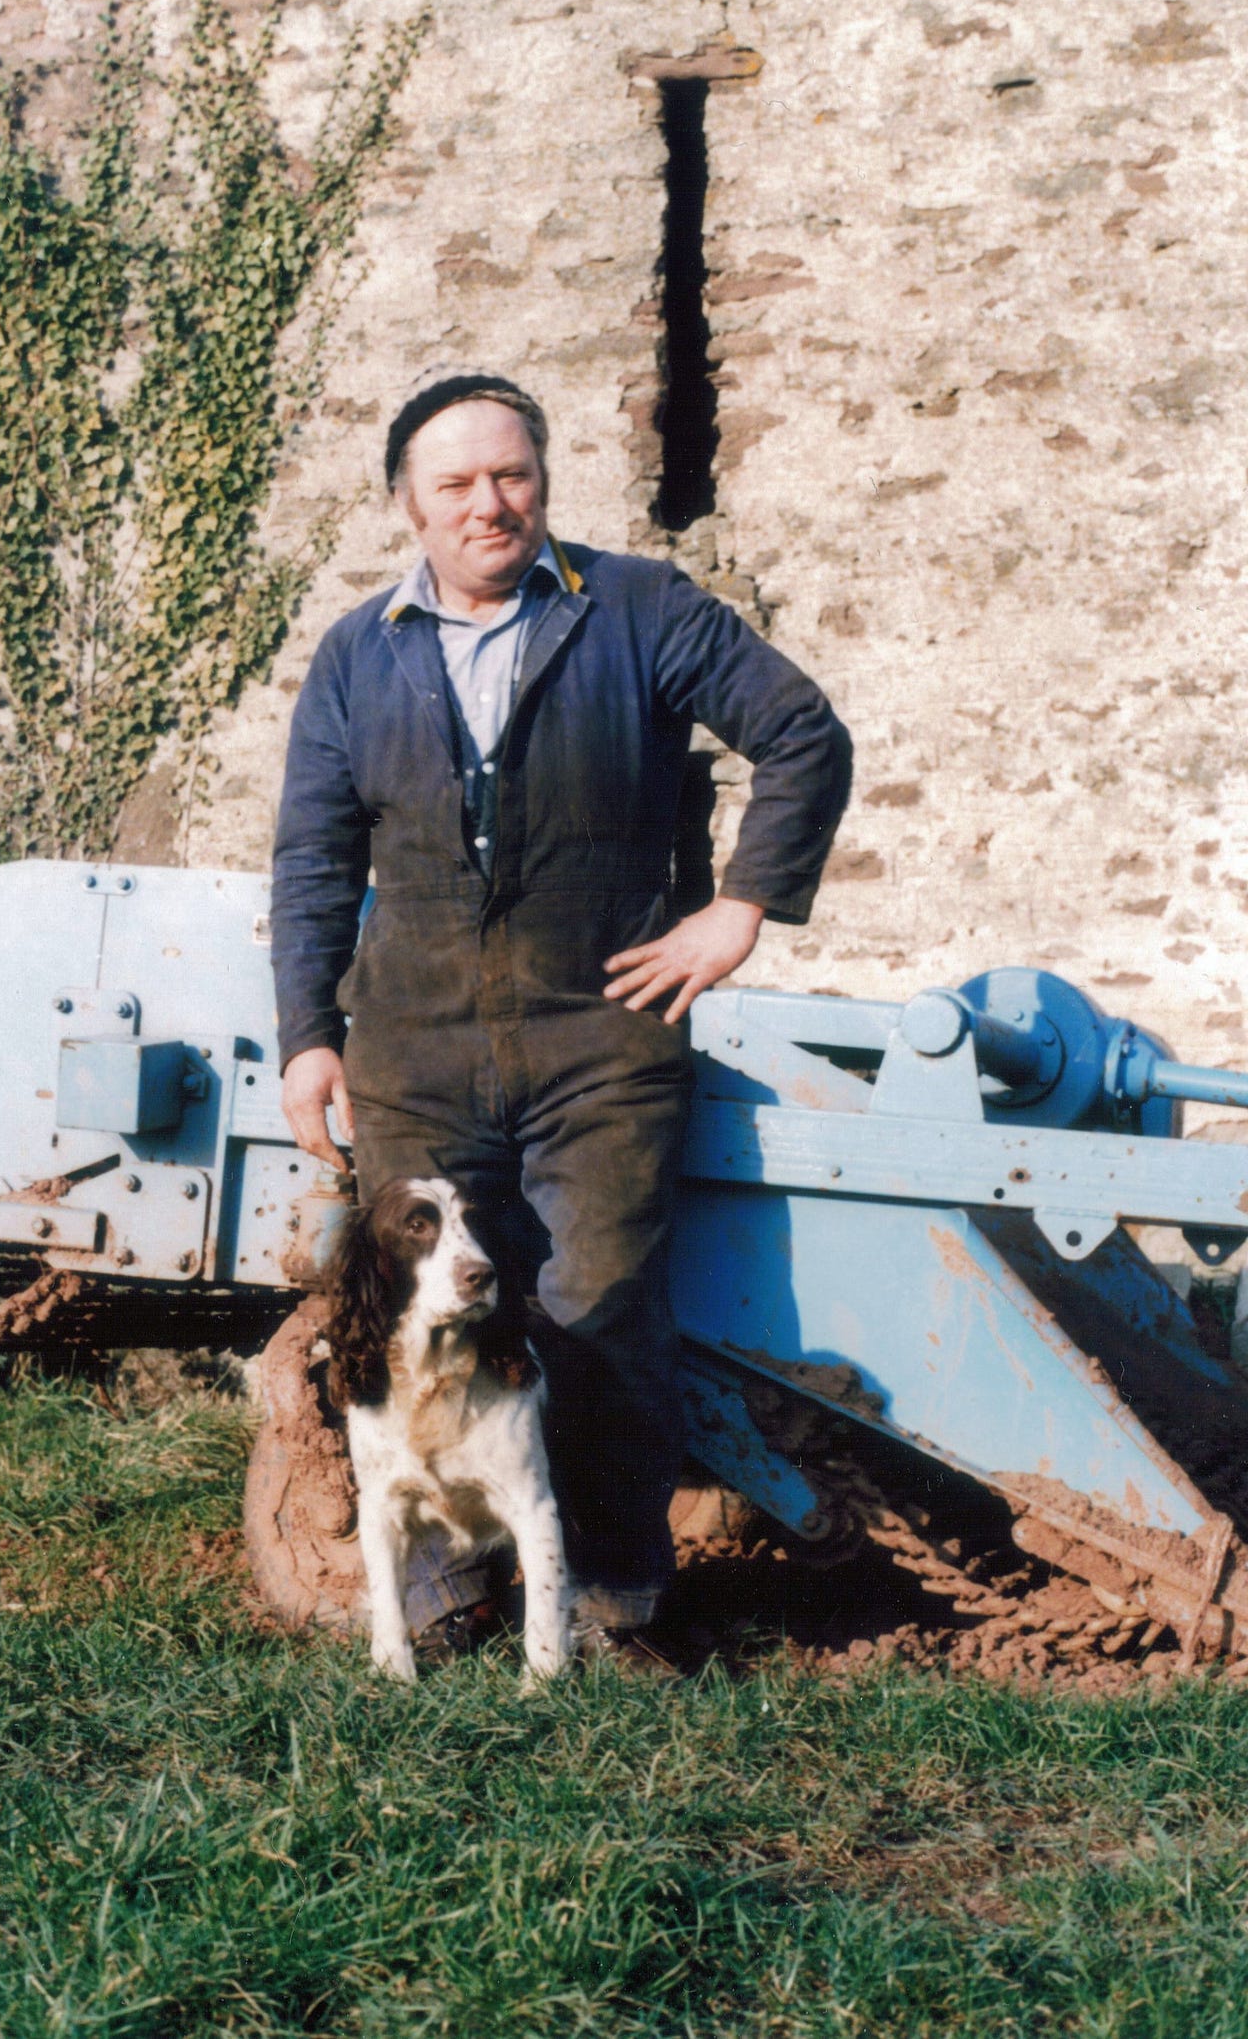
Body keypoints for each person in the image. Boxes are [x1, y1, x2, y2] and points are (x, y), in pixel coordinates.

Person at [271, 369, 851, 1666]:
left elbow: (801, 732)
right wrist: (310, 1033)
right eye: (459, 485)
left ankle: (618, 1598)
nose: (493, 505)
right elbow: (314, 854)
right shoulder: (359, 655)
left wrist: (743, 907)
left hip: (602, 1041)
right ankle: (440, 1586)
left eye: (513, 475)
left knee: (596, 1307)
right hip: (414, 1047)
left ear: (543, 479)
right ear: (407, 509)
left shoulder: (637, 611)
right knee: (408, 1306)